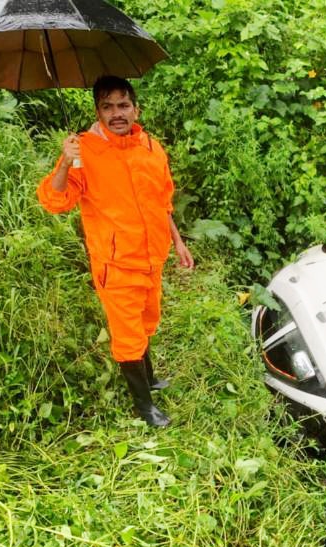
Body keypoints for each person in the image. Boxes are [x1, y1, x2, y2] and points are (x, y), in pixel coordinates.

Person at [37, 75, 194, 427]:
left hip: (152, 257)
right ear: (98, 112)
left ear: (136, 109)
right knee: (128, 335)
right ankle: (145, 407)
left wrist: (178, 241)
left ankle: (150, 378)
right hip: (116, 264)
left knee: (147, 320)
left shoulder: (151, 147)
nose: (116, 113)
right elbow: (55, 201)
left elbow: (163, 201)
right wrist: (65, 162)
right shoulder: (83, 151)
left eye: (123, 105)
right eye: (107, 107)